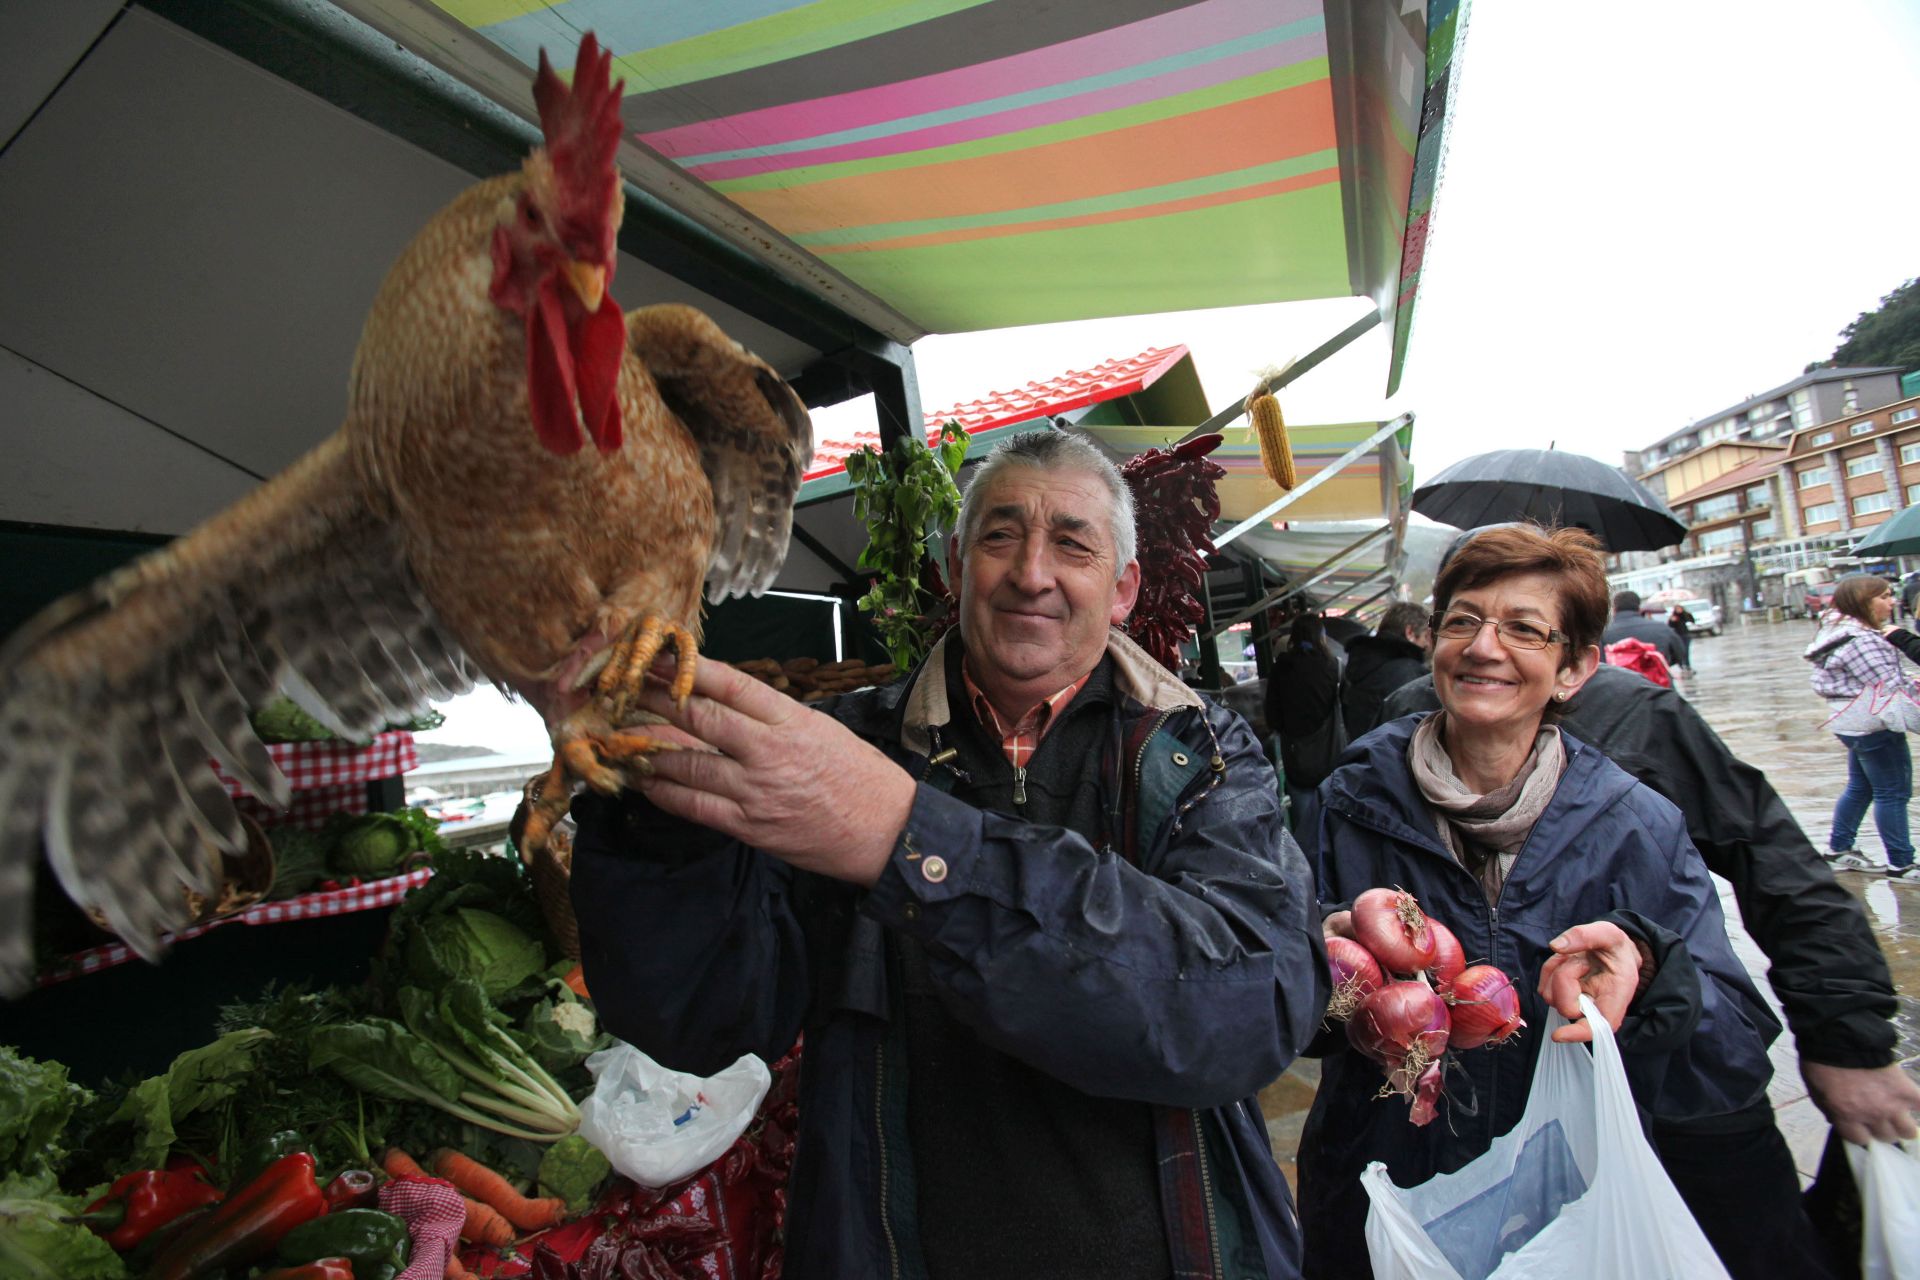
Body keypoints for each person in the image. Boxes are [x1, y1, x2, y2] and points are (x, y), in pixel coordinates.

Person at [568, 430, 1328, 1279]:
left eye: (1072, 545)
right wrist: (655, 807)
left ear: (1123, 590)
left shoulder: (1202, 752)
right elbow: (707, 1018)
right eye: (1001, 537)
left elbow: (1249, 1006)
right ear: (956, 566)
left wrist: (908, 838)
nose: (1031, 574)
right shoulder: (841, 747)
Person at [1298, 525, 1832, 1280]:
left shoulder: (1635, 824)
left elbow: (1733, 1050)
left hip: (1569, 1201)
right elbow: (1283, 1017)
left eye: (1524, 629)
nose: (1484, 647)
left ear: (1574, 668)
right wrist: (1326, 968)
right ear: (1434, 643)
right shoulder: (1345, 804)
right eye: (1462, 621)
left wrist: (1650, 977)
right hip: (1383, 1188)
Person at [1806, 574, 1917, 879]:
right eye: (1884, 597)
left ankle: (1839, 849)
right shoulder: (1864, 640)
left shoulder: (1838, 629)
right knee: (1893, 792)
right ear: (1863, 602)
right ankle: (1902, 863)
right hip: (1874, 725)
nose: (1892, 602)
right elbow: (1890, 687)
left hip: (1851, 722)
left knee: (1862, 787)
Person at [1266, 612, 1345, 815]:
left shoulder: (1281, 668)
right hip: (1331, 754)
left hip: (1295, 757)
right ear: (1321, 636)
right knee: (1333, 817)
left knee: (1305, 820)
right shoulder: (1333, 666)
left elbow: (1272, 716)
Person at [1337, 601, 1429, 739]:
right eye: (1425, 636)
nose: (1427, 644)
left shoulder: (1360, 660)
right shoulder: (1409, 672)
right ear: (1410, 632)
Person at [1602, 589, 1686, 668]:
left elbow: (1601, 664)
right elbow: (1680, 653)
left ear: (1614, 610)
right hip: (1657, 676)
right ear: (1639, 608)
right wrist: (1661, 665)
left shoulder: (1604, 634)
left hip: (1619, 678)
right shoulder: (1662, 628)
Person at [1667, 601, 1695, 672]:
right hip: (1678, 636)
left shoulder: (1685, 615)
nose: (1678, 610)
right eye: (1677, 608)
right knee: (1680, 650)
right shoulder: (1673, 616)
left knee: (1686, 650)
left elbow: (1691, 620)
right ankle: (1681, 664)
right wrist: (1672, 621)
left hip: (1686, 634)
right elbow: (1670, 626)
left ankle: (1687, 665)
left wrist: (1685, 614)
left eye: (1679, 608)